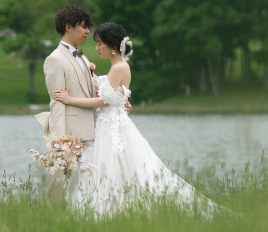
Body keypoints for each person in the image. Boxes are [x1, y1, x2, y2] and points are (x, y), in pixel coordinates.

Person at [52, 22, 222, 218]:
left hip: (110, 125)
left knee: (111, 164)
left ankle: (109, 210)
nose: (97, 48)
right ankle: (117, 208)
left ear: (112, 46)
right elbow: (118, 97)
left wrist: (69, 99)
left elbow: (103, 101)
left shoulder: (118, 68)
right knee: (114, 166)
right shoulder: (120, 66)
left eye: (100, 44)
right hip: (112, 121)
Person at [36, 6, 130, 205]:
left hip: (91, 129)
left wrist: (120, 100)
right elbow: (57, 101)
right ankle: (55, 219)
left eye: (89, 26)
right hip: (68, 133)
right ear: (68, 27)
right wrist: (59, 141)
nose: (88, 31)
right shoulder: (55, 59)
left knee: (88, 183)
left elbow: (98, 89)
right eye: (83, 26)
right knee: (59, 180)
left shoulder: (83, 57)